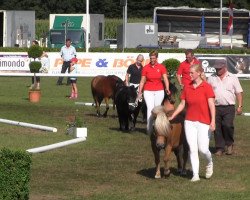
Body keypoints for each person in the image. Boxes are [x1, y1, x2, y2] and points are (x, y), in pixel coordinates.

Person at [169, 64, 215, 182]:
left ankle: (209, 162)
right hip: (189, 122)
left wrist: (213, 121)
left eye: (191, 73)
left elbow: (211, 105)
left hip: (204, 122)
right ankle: (195, 174)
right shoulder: (187, 87)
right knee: (193, 149)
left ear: (199, 73)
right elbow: (182, 104)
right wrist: (173, 115)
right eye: (189, 73)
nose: (189, 75)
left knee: (203, 149)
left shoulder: (207, 87)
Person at [207, 59, 243, 156]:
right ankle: (220, 148)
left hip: (229, 107)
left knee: (227, 125)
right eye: (216, 68)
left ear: (224, 67)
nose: (217, 70)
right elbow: (207, 93)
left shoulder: (233, 78)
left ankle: (229, 144)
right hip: (215, 107)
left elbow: (239, 92)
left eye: (219, 68)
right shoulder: (211, 78)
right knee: (217, 128)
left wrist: (239, 106)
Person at [138, 50, 170, 132]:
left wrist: (167, 88)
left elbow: (165, 79)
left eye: (154, 58)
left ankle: (157, 128)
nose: (152, 60)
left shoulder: (161, 67)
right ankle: (149, 129)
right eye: (151, 58)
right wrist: (140, 92)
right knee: (150, 108)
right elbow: (142, 81)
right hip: (148, 90)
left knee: (157, 108)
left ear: (156, 58)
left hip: (159, 90)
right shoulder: (145, 68)